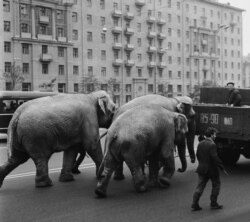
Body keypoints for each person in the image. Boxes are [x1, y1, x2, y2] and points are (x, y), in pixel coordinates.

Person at [191, 127, 224, 211]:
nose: (215, 136)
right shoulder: (212, 144)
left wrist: (202, 163)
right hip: (211, 170)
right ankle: (213, 203)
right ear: (212, 135)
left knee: (200, 187)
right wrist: (221, 166)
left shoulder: (200, 143)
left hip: (201, 168)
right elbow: (215, 157)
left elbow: (198, 155)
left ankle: (194, 204)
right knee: (216, 185)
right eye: (215, 134)